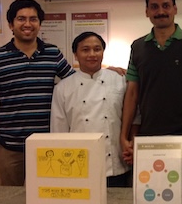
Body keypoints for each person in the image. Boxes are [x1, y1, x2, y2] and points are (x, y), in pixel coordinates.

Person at [120, 0, 182, 188]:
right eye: (154, 7)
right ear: (147, 12)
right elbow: (132, 94)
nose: (161, 11)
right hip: (149, 138)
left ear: (175, 9)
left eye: (166, 6)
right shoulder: (137, 47)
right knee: (152, 198)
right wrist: (123, 136)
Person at [0, 0, 75, 186]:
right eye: (21, 19)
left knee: (47, 198)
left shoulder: (53, 53)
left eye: (33, 19)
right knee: (9, 201)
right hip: (9, 147)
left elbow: (75, 83)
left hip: (46, 145)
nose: (28, 24)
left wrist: (105, 72)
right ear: (11, 24)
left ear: (40, 24)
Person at [50, 32, 130, 187]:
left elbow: (132, 117)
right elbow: (58, 131)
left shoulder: (120, 81)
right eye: (85, 50)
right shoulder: (63, 88)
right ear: (75, 55)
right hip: (78, 166)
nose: (92, 54)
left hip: (116, 165)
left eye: (97, 49)